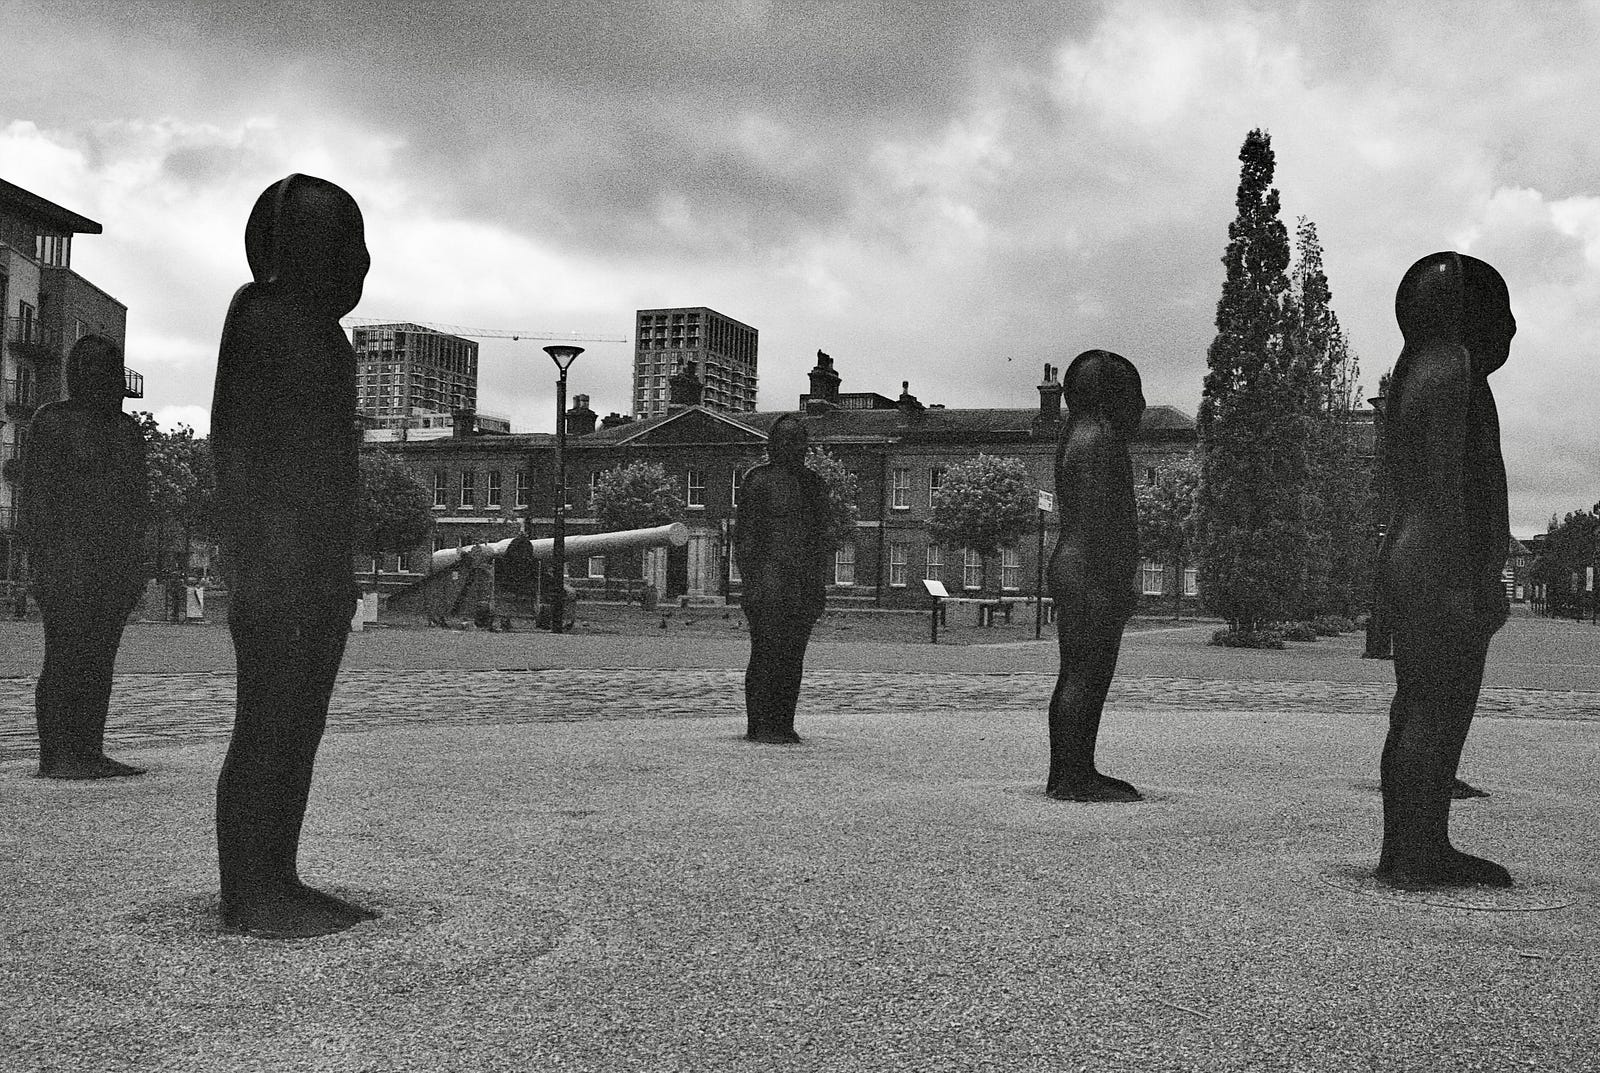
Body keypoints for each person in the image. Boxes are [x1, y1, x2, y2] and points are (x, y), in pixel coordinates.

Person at [211, 173, 377, 937]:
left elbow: (331, 473)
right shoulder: (262, 317)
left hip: (315, 572)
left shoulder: (330, 343)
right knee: (267, 724)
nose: (364, 260)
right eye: (347, 240)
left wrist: (335, 570)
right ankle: (250, 889)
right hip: (278, 571)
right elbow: (239, 452)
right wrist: (264, 560)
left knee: (299, 729)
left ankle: (280, 871)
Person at [1376, 252, 1514, 889]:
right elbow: (1445, 484)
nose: (1512, 327)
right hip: (1439, 562)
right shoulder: (1451, 367)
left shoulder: (1417, 368)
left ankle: (1414, 842)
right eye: (1499, 310)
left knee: (1420, 703)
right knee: (1439, 704)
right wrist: (1472, 576)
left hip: (1419, 557)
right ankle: (1417, 851)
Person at [21, 334, 150, 779]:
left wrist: (137, 564)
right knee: (64, 655)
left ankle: (88, 748)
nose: (108, 380)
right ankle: (57, 753)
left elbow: (138, 504)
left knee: (99, 658)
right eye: (97, 370)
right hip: (67, 561)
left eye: (113, 371)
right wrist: (42, 560)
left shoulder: (127, 431)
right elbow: (35, 499)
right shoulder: (52, 422)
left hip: (113, 565)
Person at [1045, 350, 1144, 802]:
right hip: (1091, 573)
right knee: (1087, 674)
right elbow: (1111, 523)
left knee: (1078, 674)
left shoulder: (1078, 436)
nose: (1141, 406)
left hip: (1078, 566)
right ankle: (1072, 776)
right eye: (1134, 393)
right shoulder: (1102, 441)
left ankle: (1074, 768)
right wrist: (1121, 581)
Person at [734, 414, 831, 743]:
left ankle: (783, 722)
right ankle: (760, 724)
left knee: (793, 657)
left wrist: (818, 585)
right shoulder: (757, 481)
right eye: (785, 441)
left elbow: (820, 541)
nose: (792, 448)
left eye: (798, 441)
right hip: (768, 584)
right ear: (772, 446)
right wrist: (752, 585)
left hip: (802, 586)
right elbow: (745, 539)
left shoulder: (815, 484)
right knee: (765, 654)